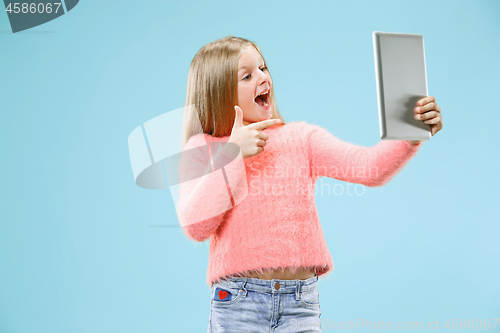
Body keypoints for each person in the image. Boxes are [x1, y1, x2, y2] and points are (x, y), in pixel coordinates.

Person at [176, 36, 443, 332]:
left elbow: (369, 168)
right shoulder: (204, 147)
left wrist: (409, 136)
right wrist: (232, 154)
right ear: (218, 93)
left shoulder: (301, 139)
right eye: (248, 75)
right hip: (238, 302)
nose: (263, 78)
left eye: (263, 68)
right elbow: (195, 226)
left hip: (299, 303)